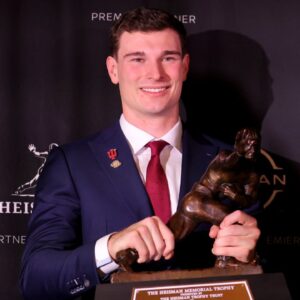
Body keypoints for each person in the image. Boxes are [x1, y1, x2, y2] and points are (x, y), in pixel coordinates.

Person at [19, 7, 260, 300]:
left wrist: (248, 259)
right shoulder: (72, 164)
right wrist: (109, 249)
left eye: (168, 58)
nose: (154, 74)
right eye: (137, 59)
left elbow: (263, 281)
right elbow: (35, 278)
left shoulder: (227, 161)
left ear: (184, 66)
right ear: (113, 70)